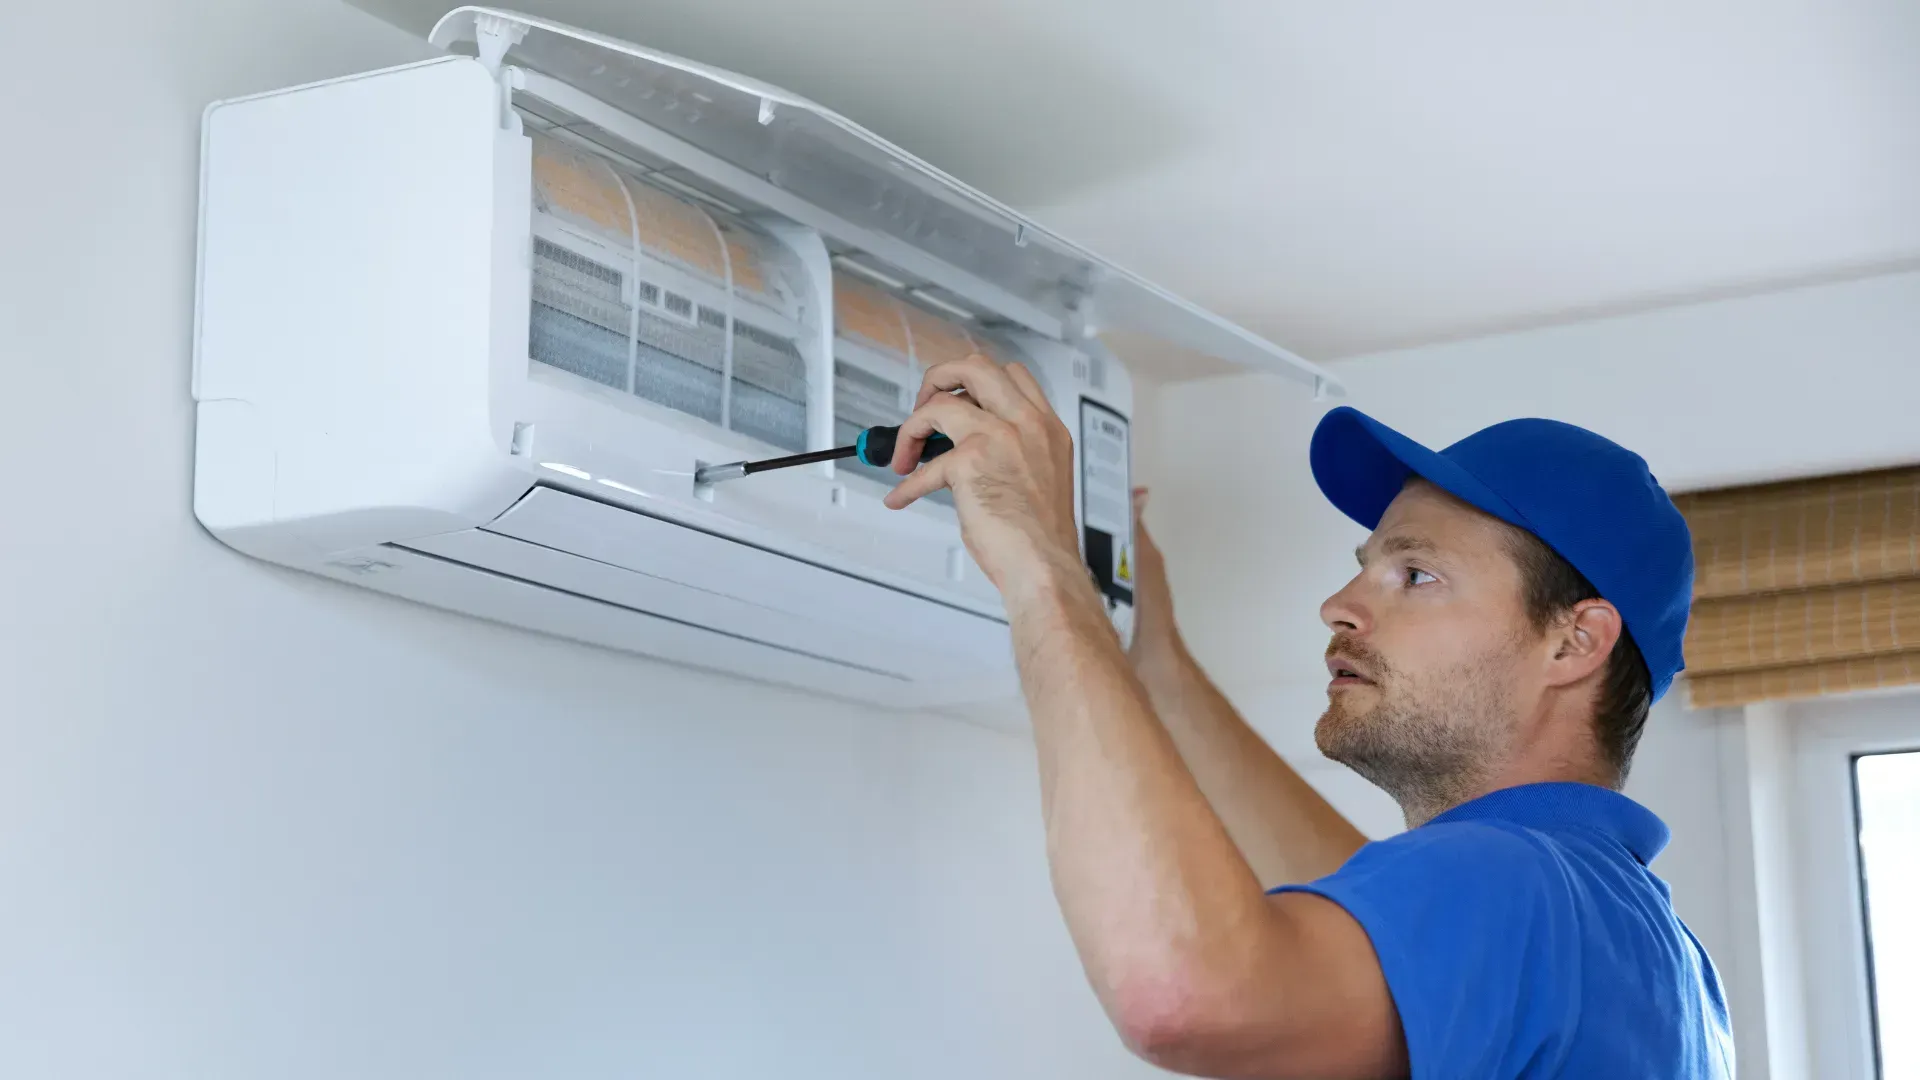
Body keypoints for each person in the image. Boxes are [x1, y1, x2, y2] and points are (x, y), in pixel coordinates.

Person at [882, 355, 1735, 1080]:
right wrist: (1158, 667)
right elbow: (1373, 897)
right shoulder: (1639, 941)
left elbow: (1179, 991)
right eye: (1364, 568)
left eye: (1416, 576)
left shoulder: (1514, 885)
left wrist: (1043, 565)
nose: (1338, 604)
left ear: (1574, 642)